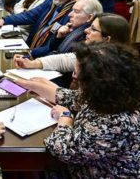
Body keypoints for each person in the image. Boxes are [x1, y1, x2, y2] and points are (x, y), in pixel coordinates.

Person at [18, 43, 140, 177]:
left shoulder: (114, 122)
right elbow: (71, 97)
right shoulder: (111, 96)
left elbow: (62, 149)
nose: (74, 77)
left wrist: (65, 118)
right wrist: (30, 85)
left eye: (77, 75)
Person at [0, 0, 80, 58]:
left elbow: (56, 47)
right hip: (31, 47)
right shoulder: (51, 0)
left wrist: (30, 53)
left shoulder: (75, 13)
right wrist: (5, 20)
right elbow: (30, 15)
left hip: (43, 56)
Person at [14, 13, 130, 73]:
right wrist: (33, 63)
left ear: (107, 39)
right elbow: (65, 60)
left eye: (93, 29)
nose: (86, 30)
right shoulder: (94, 53)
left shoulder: (112, 68)